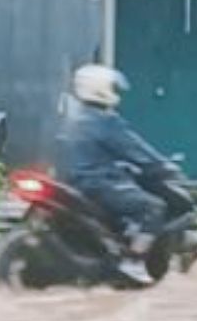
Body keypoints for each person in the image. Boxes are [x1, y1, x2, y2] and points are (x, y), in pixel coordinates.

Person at [56, 65, 172, 285]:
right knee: (153, 208)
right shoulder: (104, 120)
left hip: (72, 184)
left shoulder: (72, 118)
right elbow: (134, 148)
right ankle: (133, 262)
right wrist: (161, 165)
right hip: (98, 184)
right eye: (111, 86)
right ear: (100, 89)